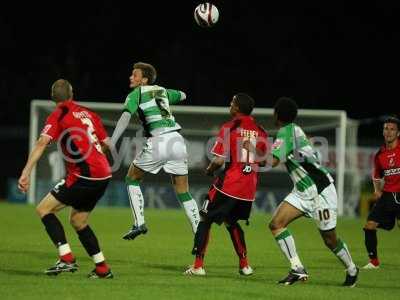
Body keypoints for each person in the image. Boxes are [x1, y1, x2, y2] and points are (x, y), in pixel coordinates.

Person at [18, 79, 113, 279]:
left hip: (83, 175)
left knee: (43, 209)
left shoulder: (58, 114)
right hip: (104, 174)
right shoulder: (88, 113)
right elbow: (107, 143)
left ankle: (66, 259)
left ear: (53, 98)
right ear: (72, 94)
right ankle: (102, 268)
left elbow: (42, 142)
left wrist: (26, 172)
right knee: (78, 221)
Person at [267, 97, 358, 286]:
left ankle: (352, 269)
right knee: (276, 224)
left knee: (330, 239)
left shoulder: (285, 132)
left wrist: (249, 153)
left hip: (320, 192)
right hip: (302, 191)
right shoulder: (296, 129)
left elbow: (272, 161)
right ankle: (297, 269)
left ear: (277, 114)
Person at [110, 62, 200, 240]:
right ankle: (199, 231)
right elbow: (183, 95)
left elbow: (125, 116)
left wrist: (112, 141)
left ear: (144, 80)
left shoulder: (136, 93)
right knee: (183, 190)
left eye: (135, 75)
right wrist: (166, 95)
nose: (131, 77)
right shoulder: (163, 91)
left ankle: (139, 223)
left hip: (159, 140)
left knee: (131, 178)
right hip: (177, 141)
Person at [184, 93, 268, 276]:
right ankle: (245, 265)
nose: (230, 105)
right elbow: (263, 162)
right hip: (248, 190)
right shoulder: (260, 130)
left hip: (230, 184)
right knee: (231, 222)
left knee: (205, 219)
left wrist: (208, 169)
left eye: (232, 102)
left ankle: (198, 266)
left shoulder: (230, 127)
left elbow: (219, 161)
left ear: (237, 108)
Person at [363, 115, 400, 269]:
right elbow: (377, 175)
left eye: (392, 129)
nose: (389, 132)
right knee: (369, 225)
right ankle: (374, 262)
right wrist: (377, 190)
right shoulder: (380, 154)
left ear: (398, 133)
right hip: (387, 194)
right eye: (386, 128)